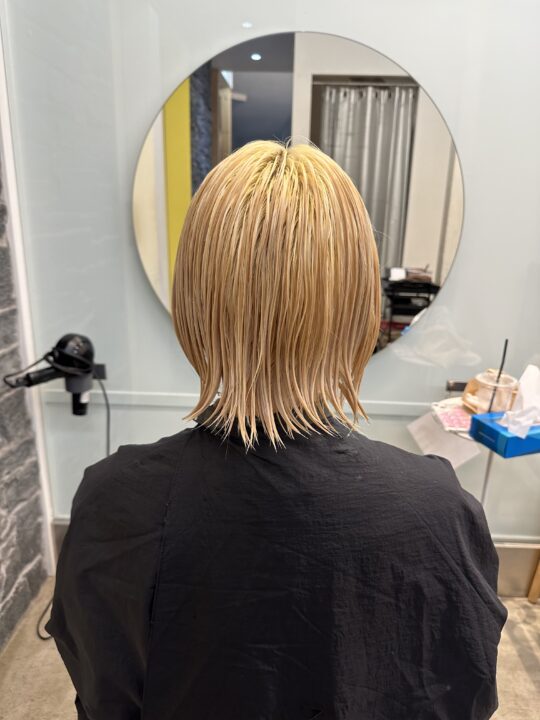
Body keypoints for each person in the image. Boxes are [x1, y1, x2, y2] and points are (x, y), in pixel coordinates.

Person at [46, 140, 507, 720]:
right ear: (360, 307)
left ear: (194, 302)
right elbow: (462, 693)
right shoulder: (438, 512)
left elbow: (104, 697)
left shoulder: (115, 501)